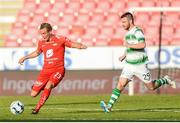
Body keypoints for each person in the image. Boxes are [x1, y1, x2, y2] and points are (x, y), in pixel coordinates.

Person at [100, 12, 176, 113]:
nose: (122, 24)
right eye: (121, 22)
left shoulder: (137, 32)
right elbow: (129, 47)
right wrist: (124, 55)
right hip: (129, 64)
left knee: (151, 87)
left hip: (140, 65)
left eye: (124, 22)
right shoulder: (127, 34)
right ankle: (109, 106)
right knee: (121, 84)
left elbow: (142, 45)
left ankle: (165, 80)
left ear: (130, 21)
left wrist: (128, 45)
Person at [18, 23, 87, 114]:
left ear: (50, 32)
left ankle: (37, 108)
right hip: (45, 71)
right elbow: (37, 52)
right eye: (41, 34)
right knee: (33, 94)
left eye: (44, 33)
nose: (42, 36)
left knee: (49, 85)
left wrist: (81, 46)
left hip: (58, 69)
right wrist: (24, 57)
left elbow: (72, 44)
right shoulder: (41, 42)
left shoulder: (60, 39)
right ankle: (42, 88)